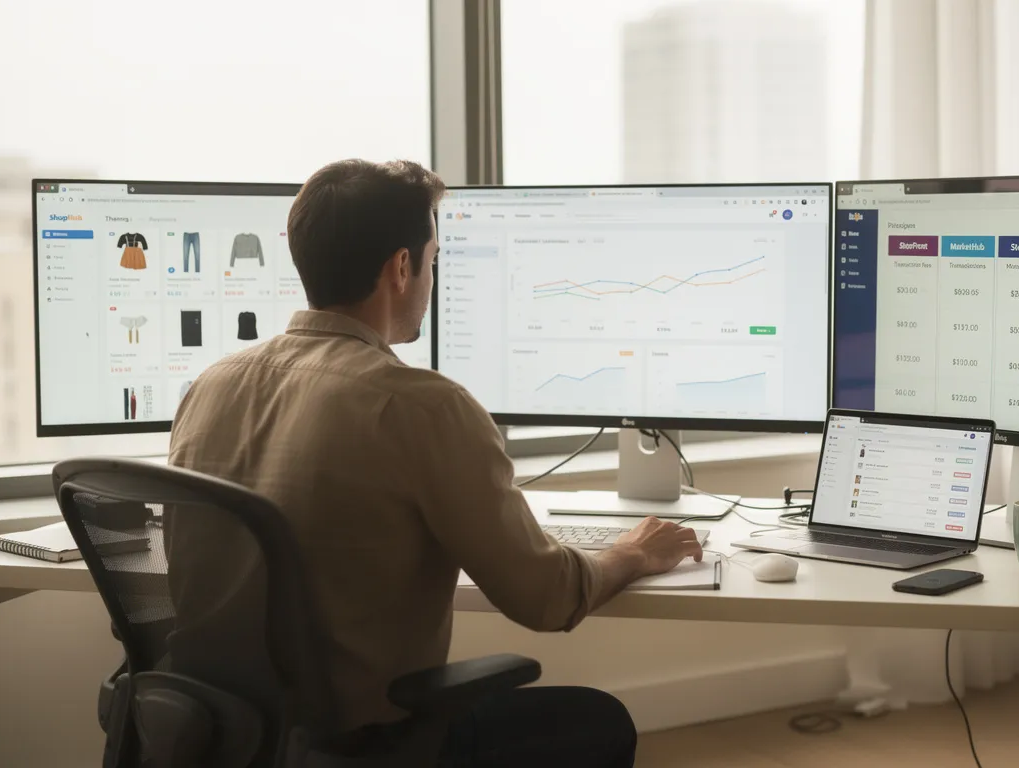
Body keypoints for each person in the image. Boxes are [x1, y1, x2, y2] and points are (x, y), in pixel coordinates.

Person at [167, 159, 702, 766]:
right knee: (601, 721)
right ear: (402, 268)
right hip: (361, 745)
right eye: (435, 258)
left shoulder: (208, 386)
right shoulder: (422, 405)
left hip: (219, 735)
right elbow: (546, 599)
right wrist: (632, 553)